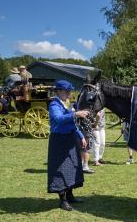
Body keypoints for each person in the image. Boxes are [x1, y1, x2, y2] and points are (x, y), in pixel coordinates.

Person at [47, 80, 89, 211]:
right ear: (58, 91)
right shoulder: (54, 104)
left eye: (69, 91)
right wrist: (75, 113)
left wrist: (81, 136)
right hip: (59, 140)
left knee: (72, 167)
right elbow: (59, 119)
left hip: (70, 139)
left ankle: (70, 195)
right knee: (60, 169)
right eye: (66, 91)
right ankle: (63, 200)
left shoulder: (66, 104)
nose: (68, 93)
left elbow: (72, 124)